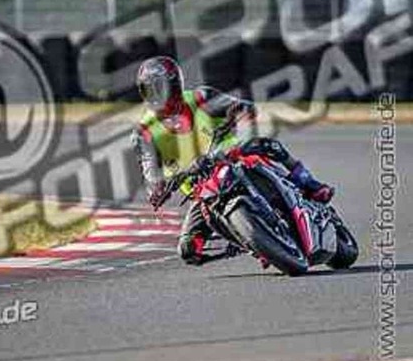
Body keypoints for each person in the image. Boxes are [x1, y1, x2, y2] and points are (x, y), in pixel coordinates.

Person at [133, 56, 334, 265]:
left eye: (161, 88)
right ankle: (250, 242)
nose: (158, 96)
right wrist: (157, 190)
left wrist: (241, 130)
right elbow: (150, 174)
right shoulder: (144, 132)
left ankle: (308, 182)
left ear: (175, 86)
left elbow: (244, 108)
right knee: (188, 249)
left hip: (233, 158)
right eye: (150, 90)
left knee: (266, 145)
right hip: (202, 191)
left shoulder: (200, 98)